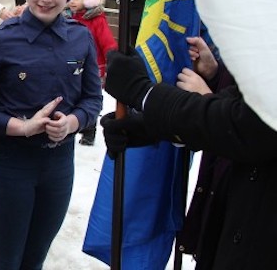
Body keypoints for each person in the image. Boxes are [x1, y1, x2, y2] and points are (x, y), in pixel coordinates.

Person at [0, 0, 103, 269]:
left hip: (58, 168)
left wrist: (73, 122)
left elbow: (92, 99)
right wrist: (21, 126)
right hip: (11, 166)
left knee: (35, 261)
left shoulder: (80, 38)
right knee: (6, 261)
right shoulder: (1, 39)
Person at [101, 37, 277, 270]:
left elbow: (249, 125)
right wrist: (152, 127)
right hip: (235, 224)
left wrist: (143, 92)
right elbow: (241, 104)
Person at [64, 0, 117, 145]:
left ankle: (89, 130)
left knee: (89, 96)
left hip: (91, 66)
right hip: (69, 63)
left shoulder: (96, 20)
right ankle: (70, 124)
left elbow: (107, 42)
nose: (73, 2)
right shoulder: (65, 17)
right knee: (70, 94)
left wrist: (112, 60)